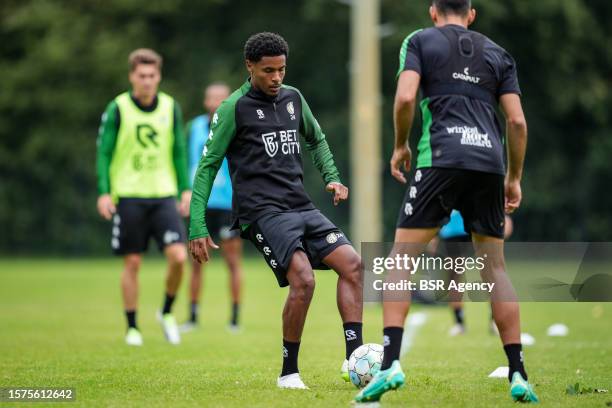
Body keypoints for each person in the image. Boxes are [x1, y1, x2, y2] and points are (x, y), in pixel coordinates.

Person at [356, 0, 539, 403]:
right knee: (496, 269)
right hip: (489, 163)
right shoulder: (498, 53)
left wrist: (400, 145)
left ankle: (389, 364)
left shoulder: (420, 41)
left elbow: (405, 99)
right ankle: (519, 372)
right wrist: (513, 177)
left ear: (433, 11)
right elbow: (517, 121)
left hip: (440, 157)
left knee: (401, 260)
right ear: (471, 14)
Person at [189, 32, 363, 389]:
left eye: (281, 69)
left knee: (353, 264)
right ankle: (289, 372)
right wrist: (197, 225)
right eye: (268, 70)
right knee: (304, 279)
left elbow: (316, 138)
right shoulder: (232, 109)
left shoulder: (294, 99)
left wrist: (332, 177)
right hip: (260, 212)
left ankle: (355, 359)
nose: (276, 78)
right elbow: (207, 166)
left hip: (299, 204)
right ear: (249, 66)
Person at [96, 48, 190, 347]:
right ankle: (133, 327)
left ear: (158, 76)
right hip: (129, 195)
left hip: (163, 195)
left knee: (178, 257)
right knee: (133, 263)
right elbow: (104, 152)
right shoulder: (118, 108)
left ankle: (166, 312)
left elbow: (178, 151)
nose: (147, 81)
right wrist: (104, 192)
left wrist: (185, 188)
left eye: (152, 75)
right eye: (142, 76)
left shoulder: (170, 107)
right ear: (132, 77)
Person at [181, 82, 243, 333]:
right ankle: (193, 317)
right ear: (206, 101)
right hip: (201, 204)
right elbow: (187, 162)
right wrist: (185, 194)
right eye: (212, 97)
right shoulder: (194, 127)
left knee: (232, 262)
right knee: (196, 261)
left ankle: (235, 319)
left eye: (222, 98)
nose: (217, 102)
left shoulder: (236, 127)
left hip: (227, 205)